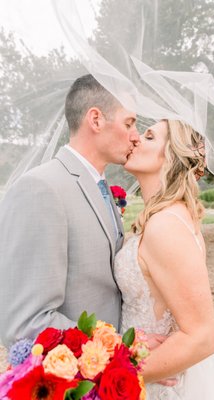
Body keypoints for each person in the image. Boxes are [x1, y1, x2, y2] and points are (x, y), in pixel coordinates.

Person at [0, 74, 140, 346]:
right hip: (71, 384)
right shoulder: (41, 189)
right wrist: (119, 349)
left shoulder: (100, 187)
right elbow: (25, 323)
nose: (136, 137)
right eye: (129, 123)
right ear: (96, 119)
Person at [115, 119, 214, 399]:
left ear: (170, 157)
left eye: (150, 137)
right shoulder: (166, 217)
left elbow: (202, 337)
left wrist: (121, 373)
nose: (136, 139)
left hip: (156, 379)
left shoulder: (166, 225)